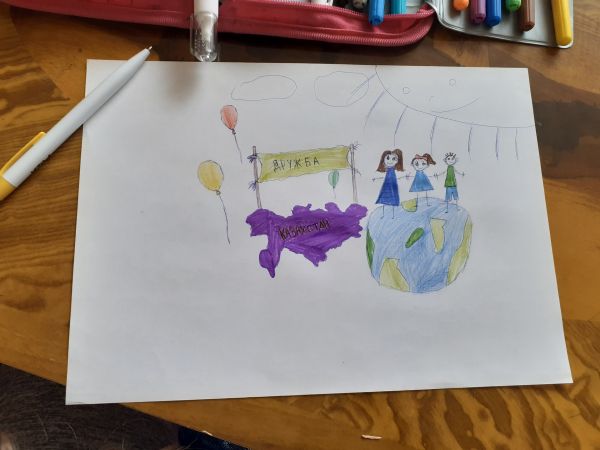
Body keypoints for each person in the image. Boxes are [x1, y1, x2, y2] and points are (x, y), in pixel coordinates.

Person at [373, 149, 404, 218]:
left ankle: (393, 215)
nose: (390, 161)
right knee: (385, 198)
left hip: (392, 184)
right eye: (387, 158)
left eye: (394, 159)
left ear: (397, 161)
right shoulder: (387, 170)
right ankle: (384, 215)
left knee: (393, 197)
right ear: (383, 159)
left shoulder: (393, 171)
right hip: (386, 185)